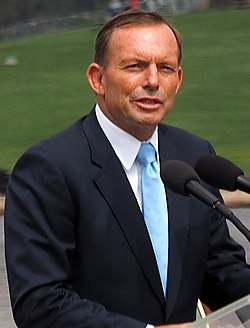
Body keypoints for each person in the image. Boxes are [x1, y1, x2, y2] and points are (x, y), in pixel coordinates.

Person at [4, 9, 250, 328]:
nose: (152, 81)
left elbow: (220, 270)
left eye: (165, 68)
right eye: (135, 66)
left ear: (179, 79)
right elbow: (40, 304)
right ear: (98, 78)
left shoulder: (194, 156)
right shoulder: (48, 170)